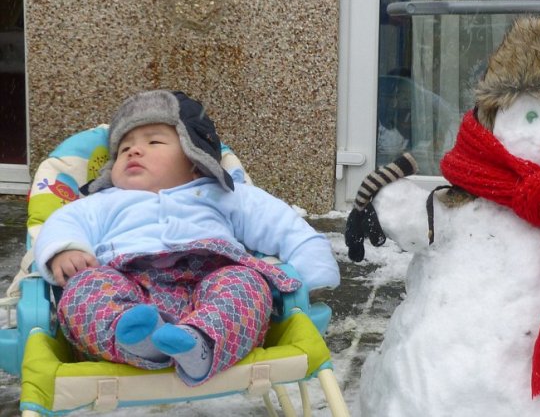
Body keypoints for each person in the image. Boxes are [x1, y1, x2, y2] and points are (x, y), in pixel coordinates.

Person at [33, 90, 340, 386]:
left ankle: (201, 343)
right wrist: (65, 251)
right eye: (124, 149)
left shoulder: (220, 193)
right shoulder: (103, 202)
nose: (134, 151)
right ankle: (137, 341)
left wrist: (313, 267)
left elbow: (279, 223)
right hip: (128, 286)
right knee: (85, 287)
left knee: (246, 284)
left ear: (195, 159)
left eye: (154, 141)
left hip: (210, 281)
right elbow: (62, 223)